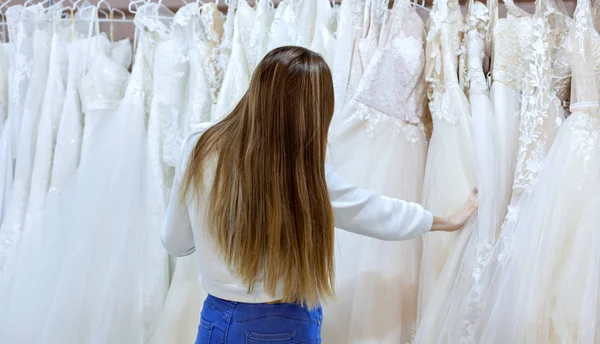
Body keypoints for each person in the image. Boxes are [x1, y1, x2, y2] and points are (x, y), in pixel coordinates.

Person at [161, 46, 478, 344]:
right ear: (313, 111)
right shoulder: (301, 171)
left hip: (216, 319)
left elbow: (175, 241)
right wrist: (443, 221)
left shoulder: (198, 144)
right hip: (282, 323)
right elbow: (371, 211)